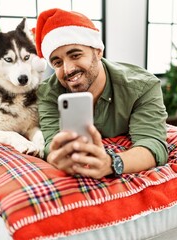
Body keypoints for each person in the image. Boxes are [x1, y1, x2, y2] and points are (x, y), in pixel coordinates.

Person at [35, 8, 168, 179]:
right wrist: (55, 155)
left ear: (98, 51)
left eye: (75, 55)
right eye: (58, 62)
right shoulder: (48, 93)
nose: (68, 70)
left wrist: (112, 164)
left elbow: (153, 144)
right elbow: (51, 142)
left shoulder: (142, 86)